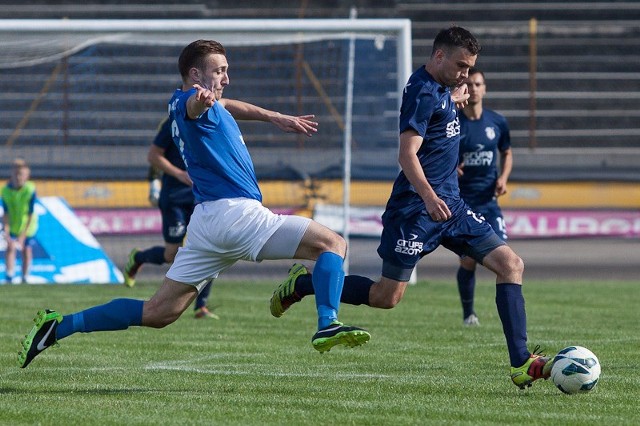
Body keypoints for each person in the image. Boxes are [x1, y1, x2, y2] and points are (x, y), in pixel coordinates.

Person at [18, 39, 370, 369]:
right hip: (235, 215)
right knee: (332, 244)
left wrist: (274, 117)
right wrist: (198, 100)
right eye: (219, 71)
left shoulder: (215, 105)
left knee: (159, 313)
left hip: (208, 223)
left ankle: (59, 326)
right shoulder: (189, 102)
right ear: (195, 75)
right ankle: (327, 322)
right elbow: (192, 107)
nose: (226, 79)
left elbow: (230, 105)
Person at [270, 26, 553, 389]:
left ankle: (520, 361)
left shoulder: (441, 88)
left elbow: (443, 106)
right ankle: (305, 284)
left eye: (470, 69)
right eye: (461, 66)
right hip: (416, 211)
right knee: (386, 298)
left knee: (510, 264)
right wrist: (429, 197)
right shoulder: (422, 92)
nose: (466, 74)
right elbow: (406, 154)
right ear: (438, 56)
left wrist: (455, 95)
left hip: (453, 207)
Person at [124, 117, 218, 320]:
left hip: (201, 197)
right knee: (171, 254)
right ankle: (138, 258)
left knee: (209, 247)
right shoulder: (173, 123)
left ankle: (201, 306)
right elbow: (154, 156)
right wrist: (177, 174)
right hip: (174, 197)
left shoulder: (210, 122)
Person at [455, 67, 513, 327]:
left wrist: (503, 178)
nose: (475, 89)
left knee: (505, 258)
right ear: (463, 89)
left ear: (485, 88)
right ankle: (469, 314)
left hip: (489, 203)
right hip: (463, 203)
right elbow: (437, 153)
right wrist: (450, 168)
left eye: (478, 84)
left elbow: (507, 152)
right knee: (469, 260)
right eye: (470, 84)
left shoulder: (497, 121)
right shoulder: (453, 122)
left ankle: (509, 314)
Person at [2, 158, 38, 284]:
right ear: (12, 174)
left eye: (22, 174)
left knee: (26, 250)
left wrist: (23, 234)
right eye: (16, 174)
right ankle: (9, 275)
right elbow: (5, 213)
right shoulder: (5, 190)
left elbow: (30, 214)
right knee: (10, 247)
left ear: (27, 176)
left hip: (28, 226)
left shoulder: (30, 190)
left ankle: (25, 276)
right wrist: (5, 230)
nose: (18, 177)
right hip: (13, 225)